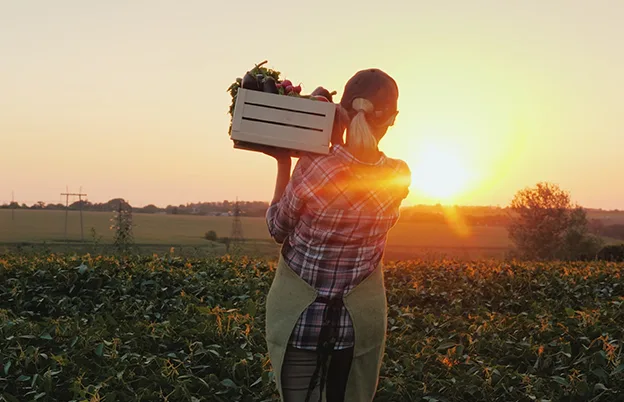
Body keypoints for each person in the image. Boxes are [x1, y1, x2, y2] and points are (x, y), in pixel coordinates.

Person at [263, 68, 411, 402]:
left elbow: (277, 227)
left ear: (341, 111)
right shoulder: (399, 176)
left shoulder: (314, 167)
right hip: (356, 329)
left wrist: (285, 162)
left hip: (300, 322)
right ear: (393, 119)